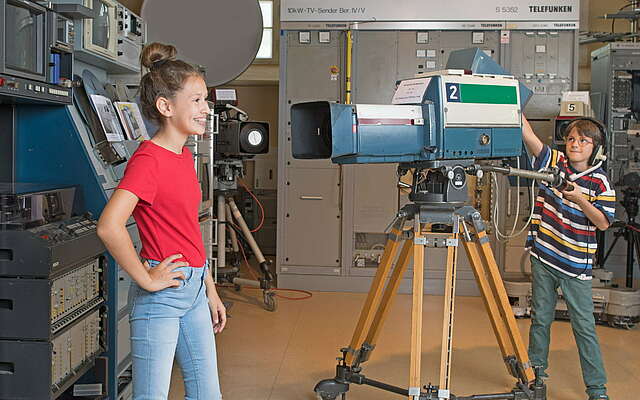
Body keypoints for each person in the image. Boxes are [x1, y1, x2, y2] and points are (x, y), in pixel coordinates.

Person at [97, 42, 226, 400]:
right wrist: (146, 278)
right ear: (166, 106)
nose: (205, 109)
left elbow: (188, 231)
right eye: (196, 100)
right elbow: (109, 225)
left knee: (207, 395)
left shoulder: (184, 156)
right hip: (163, 299)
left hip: (195, 288)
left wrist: (209, 288)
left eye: (205, 100)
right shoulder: (148, 160)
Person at [521, 116, 616, 400]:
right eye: (572, 139)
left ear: (596, 149)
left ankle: (596, 389)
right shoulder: (555, 163)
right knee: (540, 319)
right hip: (543, 256)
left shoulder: (600, 182)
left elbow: (603, 223)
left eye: (583, 141)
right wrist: (510, 98)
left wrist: (580, 199)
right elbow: (529, 136)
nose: (575, 144)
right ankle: (536, 377)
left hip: (575, 266)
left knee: (584, 327)